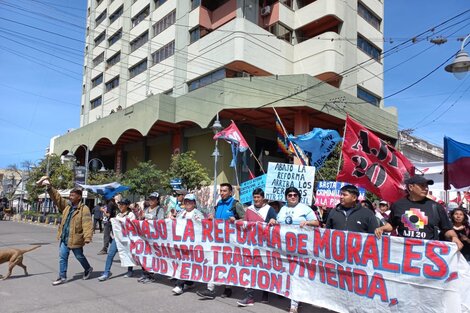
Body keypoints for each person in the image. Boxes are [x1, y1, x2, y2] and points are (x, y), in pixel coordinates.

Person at [375, 176, 463, 250]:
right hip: (404, 252)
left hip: (427, 254)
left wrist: (454, 237)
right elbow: (392, 224)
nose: (426, 188)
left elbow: (447, 229)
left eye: (427, 186)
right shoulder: (398, 205)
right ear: (410, 187)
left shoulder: (436, 207)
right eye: (422, 185)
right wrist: (382, 228)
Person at [36, 176, 93, 286]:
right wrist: (49, 187)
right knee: (63, 257)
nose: (70, 197)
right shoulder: (67, 206)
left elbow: (87, 223)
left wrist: (87, 237)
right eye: (70, 195)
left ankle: (88, 268)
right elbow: (57, 198)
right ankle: (62, 276)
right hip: (64, 237)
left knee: (79, 256)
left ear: (79, 197)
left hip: (76, 238)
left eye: (73, 195)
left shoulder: (84, 209)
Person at [197, 183, 245, 300]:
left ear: (230, 192)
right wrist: (211, 218)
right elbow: (215, 217)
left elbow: (245, 220)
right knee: (213, 263)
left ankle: (228, 288)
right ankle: (210, 289)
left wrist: (237, 220)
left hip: (231, 242)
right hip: (217, 240)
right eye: (221, 191)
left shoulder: (236, 204)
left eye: (225, 191)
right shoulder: (218, 203)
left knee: (228, 264)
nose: (222, 193)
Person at [276, 187, 319, 313]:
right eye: (290, 195)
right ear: (286, 197)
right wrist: (273, 221)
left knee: (296, 275)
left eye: (295, 195)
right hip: (284, 248)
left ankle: (294, 304)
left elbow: (317, 223)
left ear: (299, 197)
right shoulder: (283, 209)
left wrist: (307, 222)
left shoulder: (305, 208)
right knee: (287, 273)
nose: (293, 197)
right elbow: (279, 224)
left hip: (300, 248)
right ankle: (292, 297)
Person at [237, 188, 277, 307]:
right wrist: (237, 222)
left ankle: (266, 293)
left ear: (263, 198)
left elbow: (275, 221)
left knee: (265, 269)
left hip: (265, 245)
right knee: (249, 270)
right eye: (254, 197)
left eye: (258, 197)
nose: (256, 199)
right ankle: (249, 296)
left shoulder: (269, 209)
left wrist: (273, 220)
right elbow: (245, 223)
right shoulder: (249, 209)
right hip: (251, 244)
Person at [171, 193, 204, 295]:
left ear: (194, 203)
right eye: (186, 201)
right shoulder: (181, 213)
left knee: (185, 264)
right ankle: (189, 282)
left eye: (190, 201)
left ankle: (179, 285)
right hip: (181, 244)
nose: (188, 203)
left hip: (193, 244)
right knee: (183, 263)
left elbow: (202, 226)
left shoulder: (198, 214)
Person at [98, 198, 135, 281]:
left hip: (127, 239)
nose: (120, 206)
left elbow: (132, 226)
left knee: (128, 254)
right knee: (110, 254)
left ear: (127, 205)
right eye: (119, 204)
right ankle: (106, 273)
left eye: (123, 204)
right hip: (117, 238)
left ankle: (130, 270)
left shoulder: (131, 215)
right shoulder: (118, 215)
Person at [137, 192, 165, 283]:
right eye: (150, 199)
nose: (151, 201)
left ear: (157, 200)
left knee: (152, 256)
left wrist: (148, 216)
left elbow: (160, 221)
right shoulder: (145, 209)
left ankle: (151, 275)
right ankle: (145, 273)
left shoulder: (159, 209)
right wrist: (140, 217)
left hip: (154, 237)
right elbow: (141, 220)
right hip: (144, 236)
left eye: (153, 199)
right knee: (144, 255)